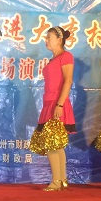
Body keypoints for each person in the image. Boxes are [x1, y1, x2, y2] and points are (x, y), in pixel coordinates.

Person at [37, 26, 76, 191]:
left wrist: (60, 104)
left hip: (57, 102)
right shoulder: (53, 59)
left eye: (49, 38)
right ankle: (61, 179)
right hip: (49, 102)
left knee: (52, 143)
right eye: (46, 38)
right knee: (56, 144)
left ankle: (56, 180)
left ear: (59, 40)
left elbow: (68, 81)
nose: (46, 41)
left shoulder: (66, 56)